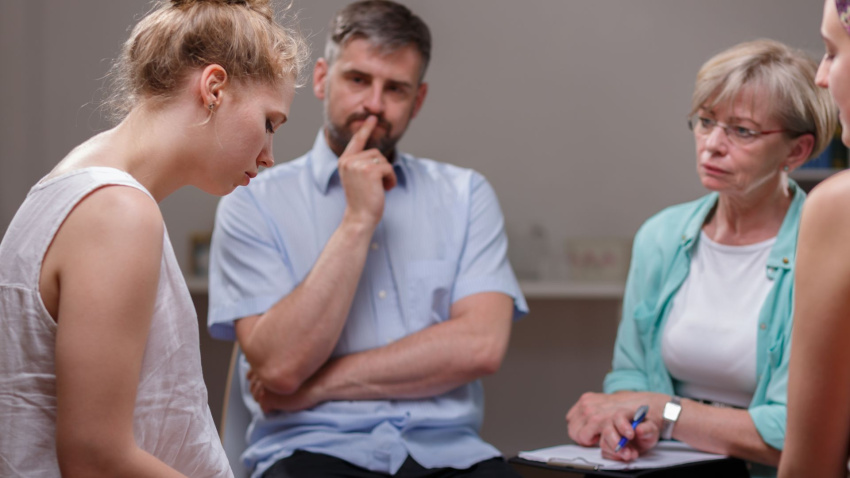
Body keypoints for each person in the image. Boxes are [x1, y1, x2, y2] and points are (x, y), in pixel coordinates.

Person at [206, 1, 528, 477]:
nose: (374, 103)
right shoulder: (250, 201)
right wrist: (357, 221)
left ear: (417, 101)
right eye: (358, 79)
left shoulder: (466, 195)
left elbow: (480, 345)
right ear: (321, 79)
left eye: (395, 88)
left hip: (450, 456)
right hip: (310, 454)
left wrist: (316, 388)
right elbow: (277, 368)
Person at [0, 0, 308, 476]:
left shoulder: (79, 180)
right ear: (214, 88)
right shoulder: (116, 210)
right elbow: (94, 458)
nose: (270, 156)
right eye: (269, 123)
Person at [565, 39, 835, 478]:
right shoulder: (661, 235)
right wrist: (625, 422)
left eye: (742, 130)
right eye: (705, 122)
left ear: (797, 151)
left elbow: (796, 431)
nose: (712, 145)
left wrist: (664, 412)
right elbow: (629, 378)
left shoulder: (824, 248)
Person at [779, 2, 850, 477]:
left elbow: (810, 466)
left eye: (832, 51)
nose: (822, 77)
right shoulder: (662, 238)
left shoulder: (838, 210)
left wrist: (671, 414)